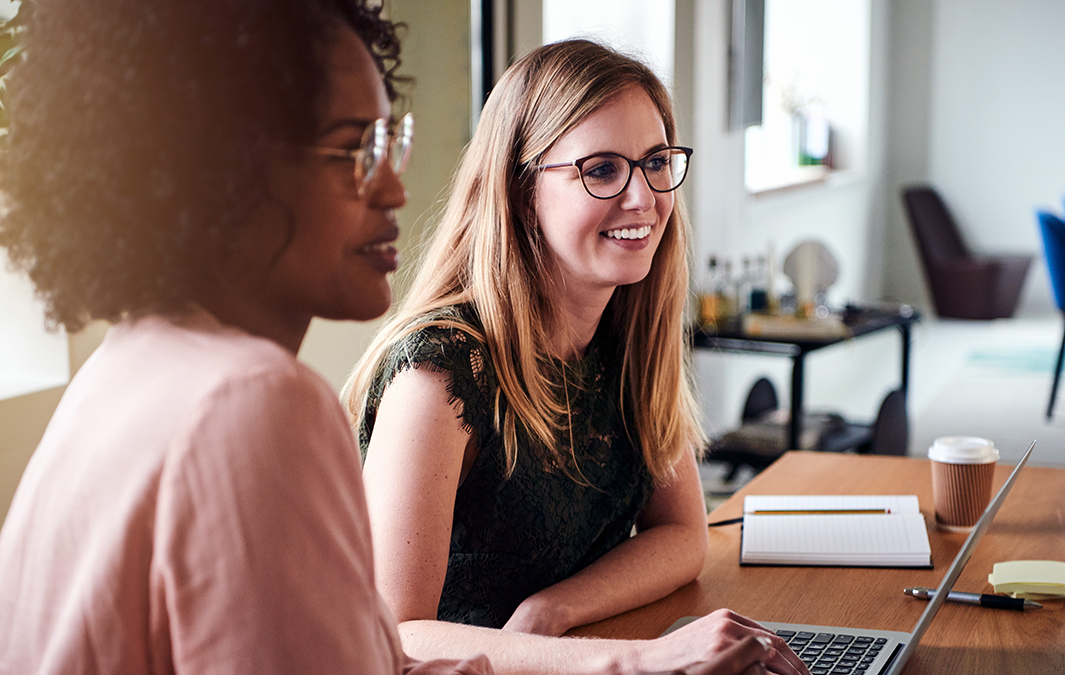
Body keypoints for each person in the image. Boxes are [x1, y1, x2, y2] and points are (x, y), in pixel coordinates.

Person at [0, 2, 787, 674]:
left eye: (387, 142)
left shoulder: (128, 363)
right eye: (353, 150)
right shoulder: (255, 395)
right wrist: (634, 660)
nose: (395, 186)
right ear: (225, 171)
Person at [343, 39, 807, 675]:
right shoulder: (441, 370)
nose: (643, 198)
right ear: (520, 188)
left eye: (654, 162)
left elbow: (682, 536)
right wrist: (644, 661)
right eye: (602, 170)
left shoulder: (628, 327)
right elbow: (395, 633)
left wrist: (552, 611)